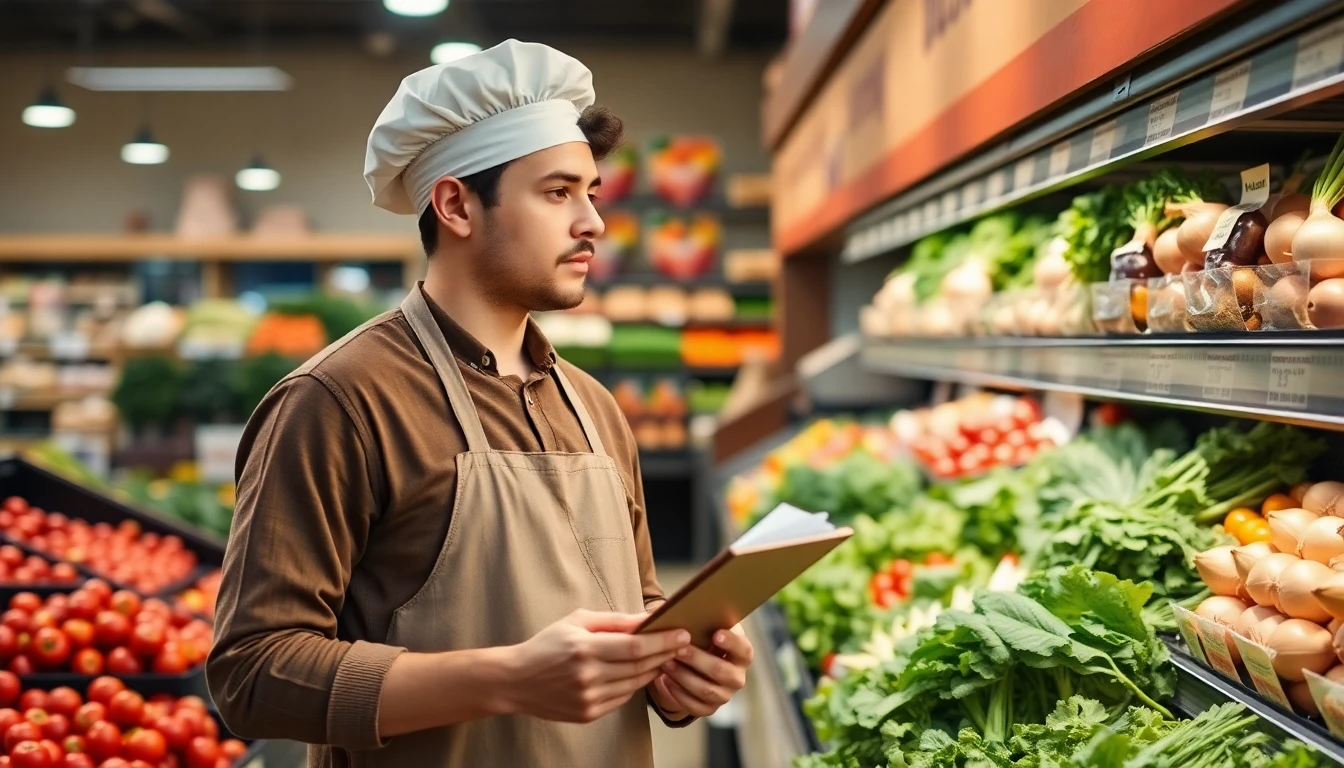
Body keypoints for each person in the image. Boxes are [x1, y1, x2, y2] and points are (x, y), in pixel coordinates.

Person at [205, 39, 753, 767]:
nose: (592, 222)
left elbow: (637, 602)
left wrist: (676, 670)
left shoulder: (595, 407)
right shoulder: (338, 401)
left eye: (592, 193)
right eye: (558, 193)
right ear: (457, 204)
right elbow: (253, 672)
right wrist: (508, 679)